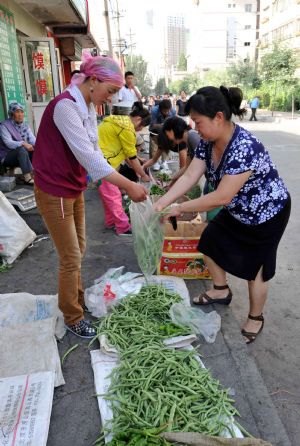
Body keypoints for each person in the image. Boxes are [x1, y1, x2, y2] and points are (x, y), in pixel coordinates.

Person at [154, 85, 291, 344]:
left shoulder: (244, 147)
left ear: (218, 117)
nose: (195, 128)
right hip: (239, 209)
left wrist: (180, 208)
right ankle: (220, 290)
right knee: (209, 241)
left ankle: (256, 316)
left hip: (267, 213)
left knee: (257, 269)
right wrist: (162, 202)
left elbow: (221, 197)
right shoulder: (208, 142)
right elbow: (191, 175)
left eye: (198, 122)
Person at [33, 53, 147, 339]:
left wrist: (126, 180)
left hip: (72, 188)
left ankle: (77, 299)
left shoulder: (86, 106)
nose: (109, 99)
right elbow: (91, 160)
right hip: (55, 189)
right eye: (108, 91)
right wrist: (129, 186)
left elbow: (95, 153)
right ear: (93, 80)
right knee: (70, 256)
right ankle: (72, 315)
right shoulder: (65, 107)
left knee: (79, 249)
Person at [98, 102, 151, 235]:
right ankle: (123, 227)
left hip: (102, 162)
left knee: (108, 195)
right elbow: (132, 157)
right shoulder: (126, 127)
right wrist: (143, 175)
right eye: (141, 127)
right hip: (105, 164)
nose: (139, 130)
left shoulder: (117, 121)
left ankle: (111, 222)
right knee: (114, 196)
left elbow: (128, 154)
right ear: (138, 119)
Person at [0, 102, 35, 184]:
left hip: (23, 154)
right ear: (12, 114)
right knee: (21, 150)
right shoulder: (4, 126)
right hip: (8, 156)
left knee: (36, 148)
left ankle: (37, 174)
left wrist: (42, 145)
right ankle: (27, 177)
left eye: (21, 112)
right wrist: (23, 143)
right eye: (17, 112)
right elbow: (9, 143)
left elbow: (32, 140)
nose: (20, 115)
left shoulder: (25, 126)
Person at [162, 116, 200, 184]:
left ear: (172, 130)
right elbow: (186, 167)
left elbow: (199, 168)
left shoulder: (192, 136)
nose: (167, 137)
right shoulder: (188, 140)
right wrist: (172, 179)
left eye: (167, 133)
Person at [149, 99, 176, 170]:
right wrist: (163, 125)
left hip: (166, 131)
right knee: (155, 146)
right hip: (155, 131)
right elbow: (152, 125)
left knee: (166, 145)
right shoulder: (154, 110)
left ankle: (164, 161)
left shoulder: (173, 111)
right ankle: (155, 162)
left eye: (168, 111)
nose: (167, 113)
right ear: (160, 109)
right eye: (165, 111)